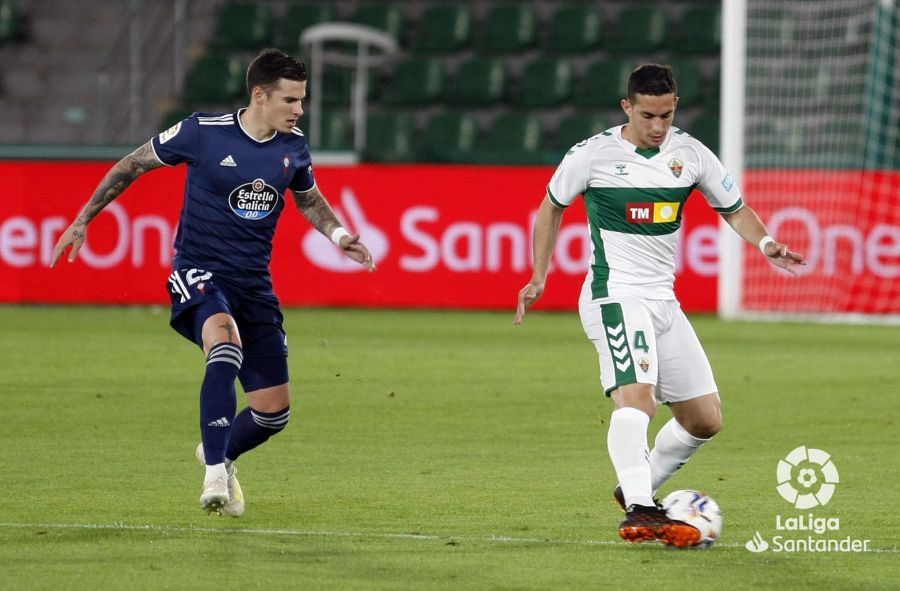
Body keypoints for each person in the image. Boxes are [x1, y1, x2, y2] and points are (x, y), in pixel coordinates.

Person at [51, 48, 375, 517]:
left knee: (273, 413)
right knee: (224, 345)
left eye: (302, 100)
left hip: (254, 285)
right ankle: (215, 475)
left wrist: (340, 236)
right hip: (199, 271)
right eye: (290, 100)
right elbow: (132, 164)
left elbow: (307, 198)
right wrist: (83, 220)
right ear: (260, 95)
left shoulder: (293, 146)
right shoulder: (202, 132)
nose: (299, 110)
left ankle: (219, 451)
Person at [514, 64, 806, 546]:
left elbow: (735, 210)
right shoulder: (592, 155)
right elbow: (551, 207)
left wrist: (766, 243)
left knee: (705, 419)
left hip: (663, 301)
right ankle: (641, 510)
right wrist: (538, 276)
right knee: (638, 398)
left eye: (666, 115)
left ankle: (637, 484)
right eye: (647, 115)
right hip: (614, 294)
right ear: (627, 107)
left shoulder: (691, 154)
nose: (657, 126)